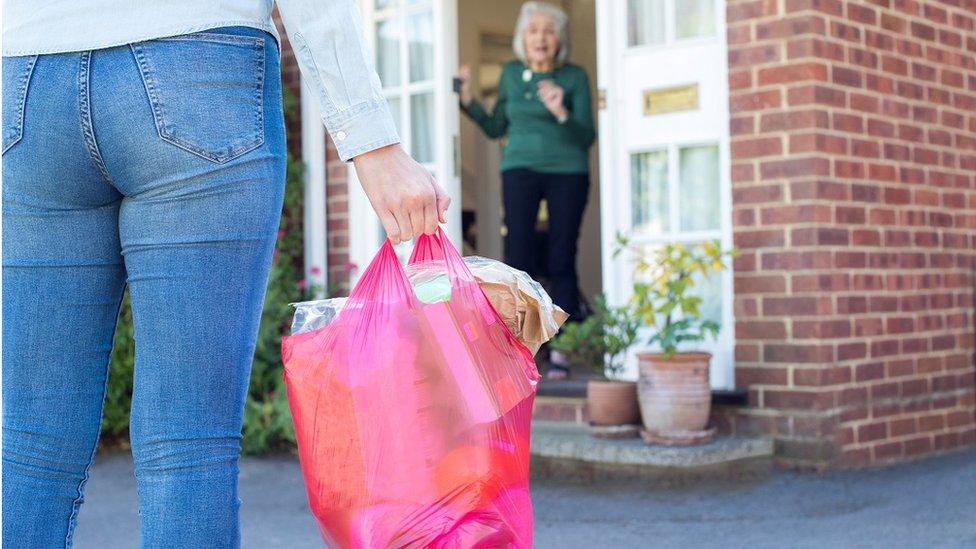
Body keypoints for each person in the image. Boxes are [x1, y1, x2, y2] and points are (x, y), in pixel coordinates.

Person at [1, 1, 449, 546]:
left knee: (30, 442)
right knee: (187, 445)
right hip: (197, 67)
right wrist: (373, 143)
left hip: (25, 85)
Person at [458, 1, 595, 380]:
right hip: (519, 171)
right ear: (523, 38)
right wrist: (467, 98)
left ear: (558, 40)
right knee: (519, 259)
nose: (541, 38)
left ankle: (563, 349)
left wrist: (562, 110)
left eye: (548, 31)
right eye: (534, 31)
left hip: (568, 171)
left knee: (562, 257)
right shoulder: (511, 73)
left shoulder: (574, 77)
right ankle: (523, 348)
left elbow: (587, 136)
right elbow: (495, 125)